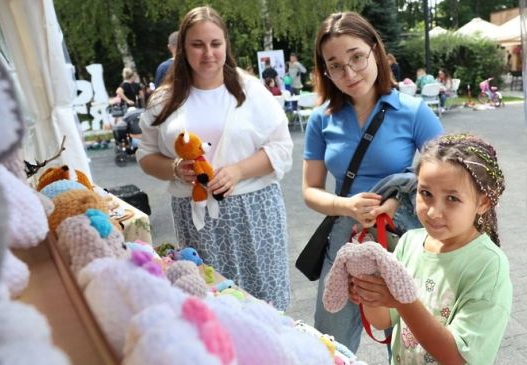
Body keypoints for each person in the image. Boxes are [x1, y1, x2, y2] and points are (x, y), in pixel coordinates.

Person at [302, 11, 444, 353]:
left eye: (356, 57)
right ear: (324, 70)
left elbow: (446, 178)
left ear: (374, 50)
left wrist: (398, 201)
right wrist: (346, 206)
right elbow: (309, 191)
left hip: (403, 240)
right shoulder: (321, 119)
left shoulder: (413, 111)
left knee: (408, 338)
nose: (348, 73)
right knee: (331, 341)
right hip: (345, 241)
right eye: (334, 65)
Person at [136, 6, 293, 311]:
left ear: (226, 46)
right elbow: (145, 155)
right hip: (196, 219)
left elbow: (281, 148)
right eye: (197, 44)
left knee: (266, 304)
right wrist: (173, 169)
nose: (208, 53)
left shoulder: (251, 91)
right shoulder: (164, 99)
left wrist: (237, 170)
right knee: (214, 304)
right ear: (182, 49)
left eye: (215, 43)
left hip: (254, 212)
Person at [351, 133, 512, 364]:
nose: (434, 212)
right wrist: (368, 290)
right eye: (426, 194)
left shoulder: (488, 266)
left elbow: (457, 357)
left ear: (483, 203)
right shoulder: (409, 243)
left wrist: (402, 301)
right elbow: (384, 319)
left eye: (452, 199)